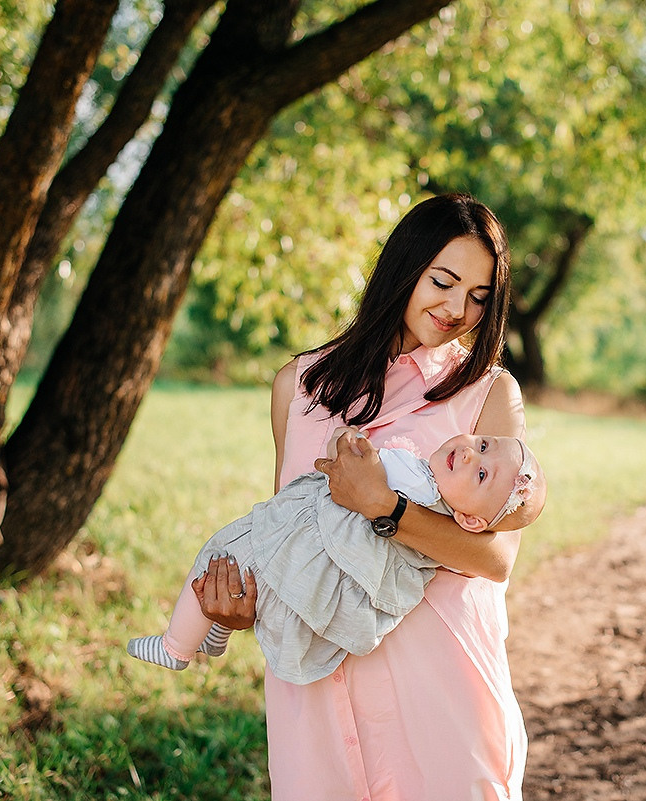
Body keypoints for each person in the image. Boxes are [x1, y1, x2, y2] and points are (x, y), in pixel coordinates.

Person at [197, 193, 531, 800]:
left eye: (479, 297)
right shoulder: (299, 385)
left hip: (436, 692)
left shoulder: (487, 393)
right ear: (404, 267)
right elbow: (284, 535)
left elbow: (495, 557)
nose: (457, 309)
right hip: (316, 696)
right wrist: (240, 611)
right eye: (443, 282)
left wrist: (387, 507)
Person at [126, 428, 543, 683]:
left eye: (482, 474)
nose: (472, 454)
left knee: (218, 554)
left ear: (471, 521)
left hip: (299, 548)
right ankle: (212, 635)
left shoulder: (418, 496)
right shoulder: (435, 515)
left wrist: (348, 445)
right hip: (307, 560)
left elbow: (348, 466)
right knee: (232, 576)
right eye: (483, 444)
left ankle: (175, 647)